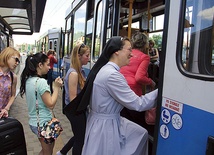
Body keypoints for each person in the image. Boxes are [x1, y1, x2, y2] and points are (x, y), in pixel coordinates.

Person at [65, 36, 158, 155]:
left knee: (140, 133)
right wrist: (160, 92)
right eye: (129, 50)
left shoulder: (106, 70)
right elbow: (138, 104)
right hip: (106, 127)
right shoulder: (112, 75)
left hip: (102, 123)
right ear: (116, 52)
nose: (132, 54)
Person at [120, 32, 157, 155]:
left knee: (125, 125)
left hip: (120, 93)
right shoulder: (144, 57)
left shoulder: (128, 54)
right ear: (145, 44)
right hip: (133, 94)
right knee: (140, 128)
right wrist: (151, 82)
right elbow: (139, 77)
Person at [20, 53, 63, 155]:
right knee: (48, 152)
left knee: (45, 151)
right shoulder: (41, 82)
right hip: (43, 124)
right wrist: (56, 87)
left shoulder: (28, 80)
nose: (49, 67)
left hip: (35, 122)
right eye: (47, 65)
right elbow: (51, 104)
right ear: (40, 65)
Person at [57, 44, 90, 155]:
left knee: (79, 135)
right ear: (79, 56)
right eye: (87, 55)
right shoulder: (74, 73)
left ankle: (62, 152)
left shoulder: (80, 71)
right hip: (75, 111)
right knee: (80, 139)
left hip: (78, 110)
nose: (89, 58)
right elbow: (73, 99)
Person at [0, 47, 20, 118]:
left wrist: (6, 108)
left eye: (18, 61)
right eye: (16, 59)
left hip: (2, 114)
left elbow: (13, 95)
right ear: (7, 56)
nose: (17, 63)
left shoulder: (13, 77)